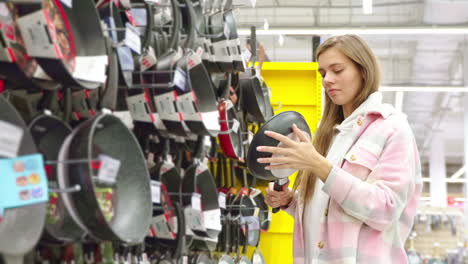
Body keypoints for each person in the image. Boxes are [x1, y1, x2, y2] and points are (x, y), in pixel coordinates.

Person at [258, 34, 422, 264]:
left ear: (363, 71)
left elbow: (386, 209)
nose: (327, 80)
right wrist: (290, 201)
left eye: (337, 70)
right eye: (323, 73)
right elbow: (328, 214)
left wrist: (318, 164)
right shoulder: (331, 135)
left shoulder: (392, 128)